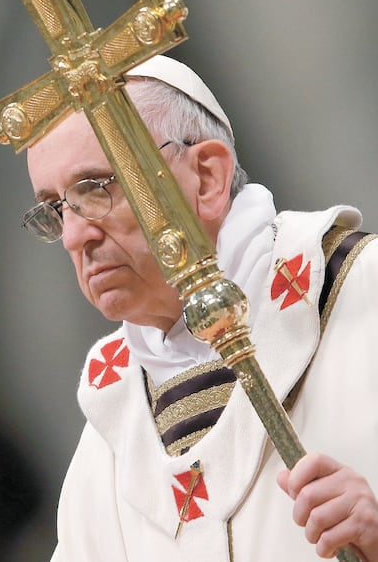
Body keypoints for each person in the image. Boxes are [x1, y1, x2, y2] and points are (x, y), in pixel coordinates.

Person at [22, 55, 378, 560]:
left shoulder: (363, 292)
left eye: (97, 188)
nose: (75, 236)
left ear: (207, 177)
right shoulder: (113, 416)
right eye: (57, 208)